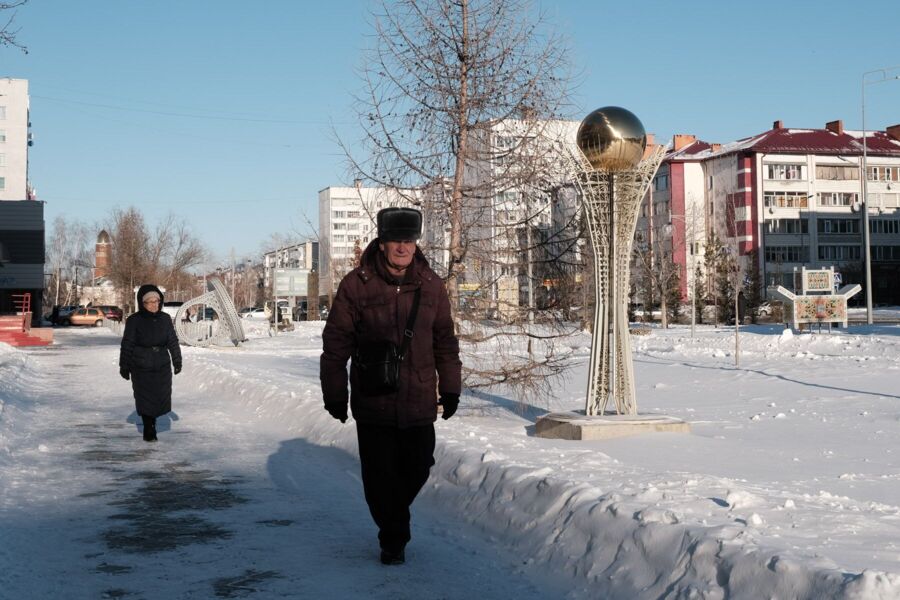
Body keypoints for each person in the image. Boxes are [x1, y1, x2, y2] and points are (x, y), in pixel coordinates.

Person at [320, 207, 462, 566]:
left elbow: (445, 341)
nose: (403, 247)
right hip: (374, 400)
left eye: (409, 240)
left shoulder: (431, 284)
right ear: (382, 243)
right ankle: (394, 538)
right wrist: (335, 394)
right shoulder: (356, 284)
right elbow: (336, 344)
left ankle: (394, 519)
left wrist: (451, 388)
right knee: (379, 477)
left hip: (419, 397)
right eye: (396, 240)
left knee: (419, 465)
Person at [119, 284, 182, 442]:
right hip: (141, 364)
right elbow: (127, 344)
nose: (154, 305)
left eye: (157, 301)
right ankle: (148, 426)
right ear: (143, 303)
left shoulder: (165, 319)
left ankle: (153, 421)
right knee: (145, 396)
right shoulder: (134, 320)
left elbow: (172, 341)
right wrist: (124, 366)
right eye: (150, 302)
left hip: (162, 363)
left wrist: (177, 360)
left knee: (160, 394)